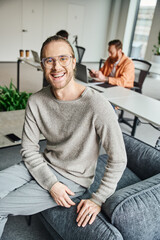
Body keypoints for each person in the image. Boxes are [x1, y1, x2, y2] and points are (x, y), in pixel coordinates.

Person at [0, 35, 127, 237]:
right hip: (42, 164)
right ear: (42, 65)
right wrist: (51, 183)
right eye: (49, 60)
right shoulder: (36, 101)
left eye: (63, 58)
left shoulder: (96, 105)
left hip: (72, 179)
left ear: (73, 61)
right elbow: (29, 150)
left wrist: (98, 199)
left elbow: (119, 158)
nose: (56, 66)